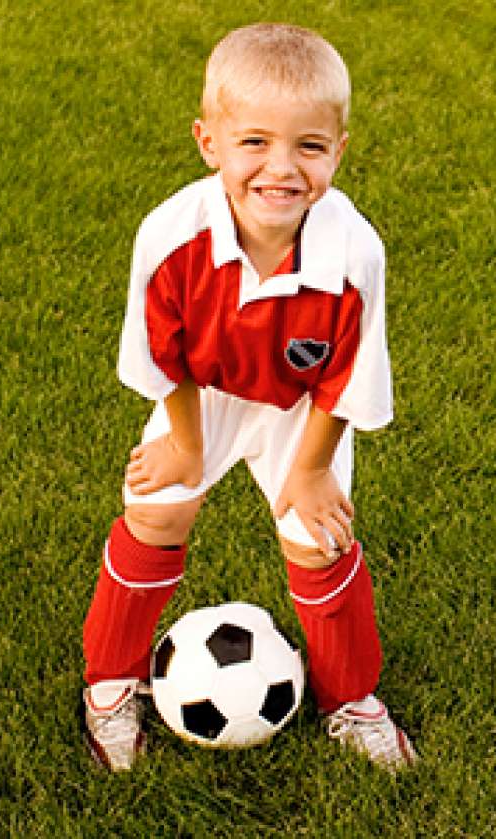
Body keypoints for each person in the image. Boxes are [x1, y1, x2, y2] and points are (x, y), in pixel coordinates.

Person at [79, 23, 417, 773]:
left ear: (339, 149)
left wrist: (309, 469)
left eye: (308, 146)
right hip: (201, 398)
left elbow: (347, 375)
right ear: (209, 142)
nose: (281, 169)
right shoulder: (170, 236)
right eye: (254, 142)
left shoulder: (352, 250)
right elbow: (162, 355)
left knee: (319, 540)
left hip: (302, 408)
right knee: (157, 511)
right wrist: (187, 443)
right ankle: (109, 681)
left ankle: (351, 699)